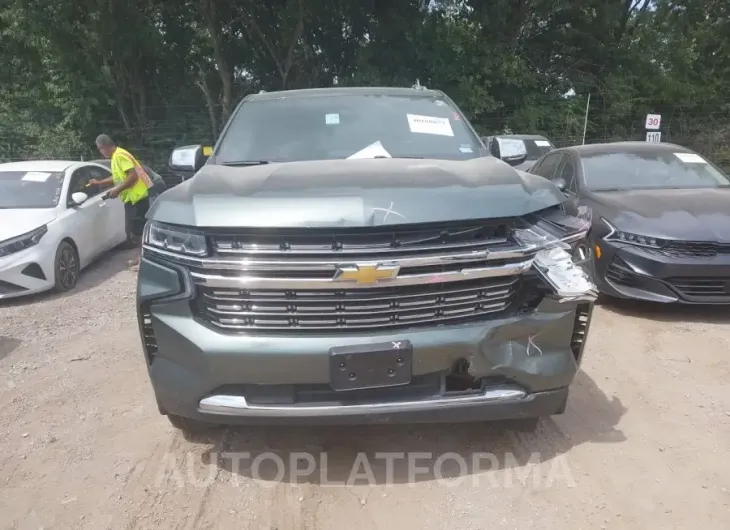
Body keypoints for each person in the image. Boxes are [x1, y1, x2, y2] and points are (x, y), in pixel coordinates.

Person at [90, 134, 153, 269]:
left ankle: (144, 260)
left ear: (104, 147)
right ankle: (140, 257)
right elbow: (118, 177)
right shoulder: (116, 156)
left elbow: (132, 176)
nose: (100, 152)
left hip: (137, 198)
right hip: (133, 198)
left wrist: (117, 190)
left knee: (137, 232)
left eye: (100, 149)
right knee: (134, 231)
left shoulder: (119, 155)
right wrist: (100, 182)